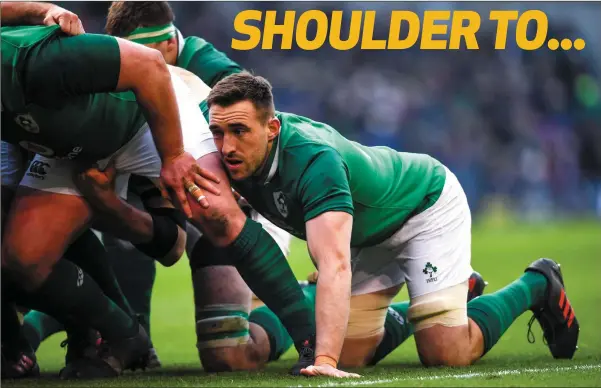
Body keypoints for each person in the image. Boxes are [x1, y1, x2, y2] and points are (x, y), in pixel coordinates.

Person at [204, 72, 580, 378]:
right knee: (350, 352)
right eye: (218, 132)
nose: (226, 147)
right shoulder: (230, 156)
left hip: (422, 209)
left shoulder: (313, 160)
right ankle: (452, 292)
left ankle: (536, 284)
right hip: (367, 233)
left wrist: (325, 364)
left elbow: (334, 263)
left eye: (239, 131)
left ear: (272, 128)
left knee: (445, 352)